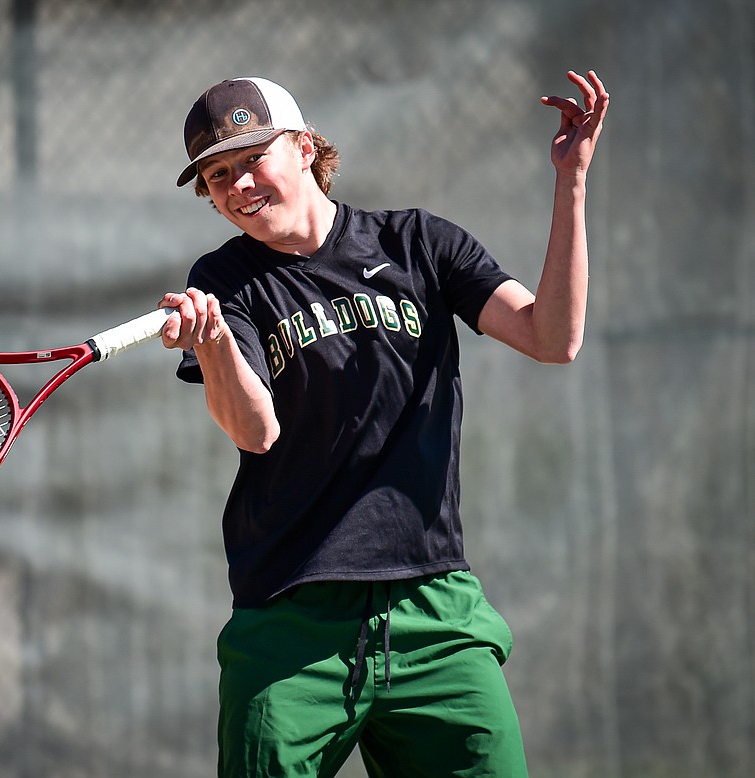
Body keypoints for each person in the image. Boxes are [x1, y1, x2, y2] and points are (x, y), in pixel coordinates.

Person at [157, 72, 610, 777]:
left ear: (305, 148)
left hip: (436, 612)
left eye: (253, 158)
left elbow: (552, 338)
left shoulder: (419, 244)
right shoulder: (225, 280)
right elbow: (254, 430)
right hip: (291, 622)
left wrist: (572, 181)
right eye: (218, 176)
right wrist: (213, 343)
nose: (239, 184)